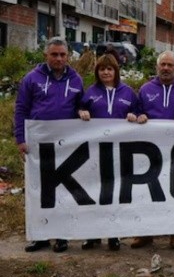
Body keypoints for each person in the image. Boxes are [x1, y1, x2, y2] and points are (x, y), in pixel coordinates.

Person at [14, 37, 83, 253]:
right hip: (38, 144)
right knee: (38, 191)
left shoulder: (76, 80)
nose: (59, 58)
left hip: (65, 144)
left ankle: (61, 235)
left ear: (68, 56)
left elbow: (81, 106)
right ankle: (40, 236)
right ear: (46, 55)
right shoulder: (31, 79)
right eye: (54, 54)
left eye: (63, 54)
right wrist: (20, 139)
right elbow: (21, 109)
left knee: (62, 191)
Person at [76, 54, 138, 251]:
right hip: (95, 152)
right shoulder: (90, 92)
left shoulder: (128, 92)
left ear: (116, 71)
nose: (106, 72)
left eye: (109, 69)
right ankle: (92, 235)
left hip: (119, 152)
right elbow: (79, 109)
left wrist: (134, 116)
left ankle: (114, 234)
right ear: (97, 71)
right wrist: (81, 112)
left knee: (113, 194)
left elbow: (139, 112)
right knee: (93, 192)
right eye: (102, 69)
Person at [128, 50, 174, 250]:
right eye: (163, 64)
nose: (166, 68)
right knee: (146, 191)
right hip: (150, 149)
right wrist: (139, 116)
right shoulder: (145, 89)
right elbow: (137, 110)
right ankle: (145, 233)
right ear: (157, 67)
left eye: (170, 65)